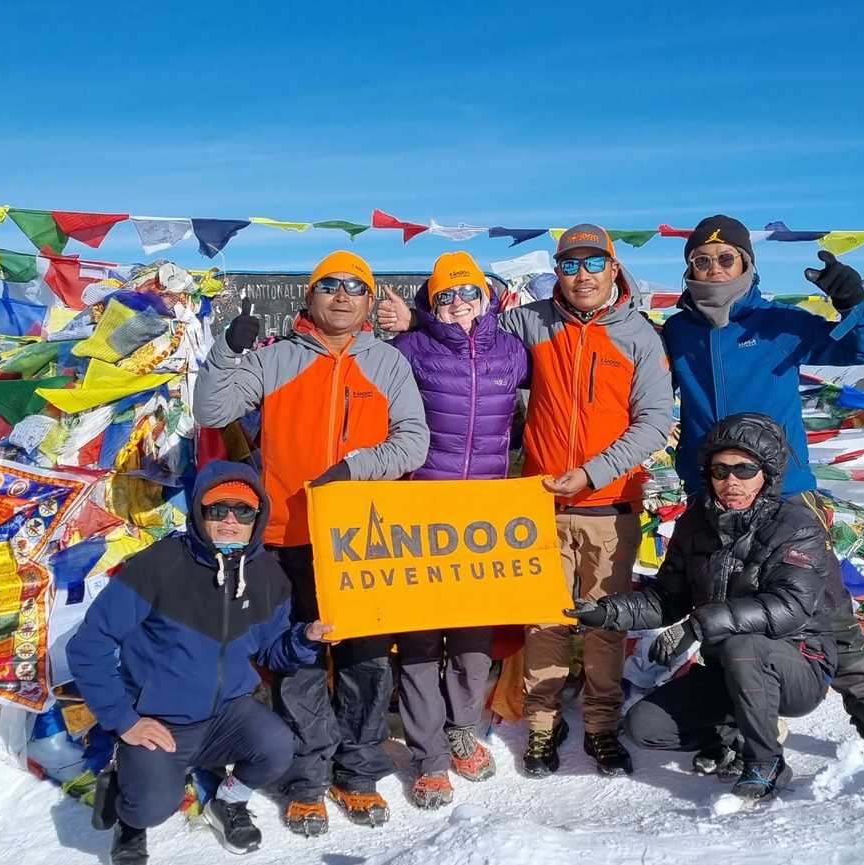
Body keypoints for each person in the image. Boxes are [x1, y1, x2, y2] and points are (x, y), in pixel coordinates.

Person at [379, 224, 672, 777]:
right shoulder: (532, 321)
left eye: (592, 264)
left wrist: (590, 473)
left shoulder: (639, 335)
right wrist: (416, 322)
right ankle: (541, 723)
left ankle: (602, 723)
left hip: (610, 503)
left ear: (613, 268)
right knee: (544, 622)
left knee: (606, 623)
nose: (580, 275)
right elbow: (467, 334)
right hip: (537, 505)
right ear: (557, 271)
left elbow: (655, 421)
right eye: (569, 265)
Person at [660, 215, 864, 761]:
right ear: (688, 270)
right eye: (701, 260)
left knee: (827, 605)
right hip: (712, 490)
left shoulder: (779, 323)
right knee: (720, 604)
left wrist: (853, 304)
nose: (713, 268)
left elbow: (858, 351)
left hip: (783, 491)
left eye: (725, 258)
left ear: (746, 264)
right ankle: (733, 726)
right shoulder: (677, 332)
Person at [194, 250, 429, 834]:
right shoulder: (277, 360)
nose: (342, 296)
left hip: (363, 540)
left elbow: (414, 442)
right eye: (330, 286)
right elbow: (211, 408)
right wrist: (227, 352)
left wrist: (356, 468)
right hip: (286, 536)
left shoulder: (389, 364)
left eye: (356, 287)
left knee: (366, 662)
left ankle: (360, 773)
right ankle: (306, 780)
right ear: (311, 298)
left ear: (370, 301)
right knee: (298, 661)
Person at [68, 462, 333, 863]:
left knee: (278, 747)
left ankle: (226, 802)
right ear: (199, 512)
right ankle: (130, 817)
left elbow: (271, 652)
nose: (230, 519)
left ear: (258, 517)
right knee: (154, 805)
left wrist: (305, 639)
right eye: (217, 509)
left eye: (243, 510)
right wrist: (125, 721)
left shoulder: (268, 575)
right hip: (160, 718)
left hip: (227, 713)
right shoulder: (158, 565)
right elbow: (88, 645)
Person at [568, 413, 840, 801]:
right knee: (645, 726)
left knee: (741, 644)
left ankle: (765, 760)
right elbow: (668, 597)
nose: (732, 481)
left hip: (798, 664)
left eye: (745, 469)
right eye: (720, 469)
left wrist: (698, 625)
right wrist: (606, 612)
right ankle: (736, 731)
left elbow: (789, 607)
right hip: (731, 671)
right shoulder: (696, 522)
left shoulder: (796, 526)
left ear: (767, 473)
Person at [388, 250, 528, 808]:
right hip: (422, 510)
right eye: (446, 295)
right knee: (421, 642)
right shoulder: (409, 350)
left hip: (482, 517)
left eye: (468, 293)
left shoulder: (513, 353)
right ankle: (427, 757)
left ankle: (462, 730)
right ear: (431, 303)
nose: (459, 304)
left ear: (487, 297)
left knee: (472, 641)